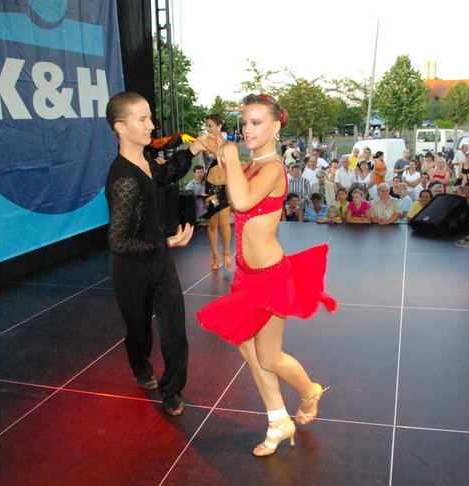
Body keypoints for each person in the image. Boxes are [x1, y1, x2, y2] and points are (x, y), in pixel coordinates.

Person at [197, 94, 337, 457]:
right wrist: (219, 152)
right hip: (246, 274)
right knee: (248, 347)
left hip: (270, 276)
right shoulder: (249, 166)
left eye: (257, 123)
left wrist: (228, 154)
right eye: (245, 122)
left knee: (269, 357)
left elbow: (243, 202)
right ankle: (278, 420)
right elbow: (225, 186)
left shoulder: (273, 168)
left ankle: (309, 392)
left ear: (275, 126)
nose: (248, 129)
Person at [105, 91, 214, 416]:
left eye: (150, 118)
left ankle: (172, 390)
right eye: (143, 119)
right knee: (139, 334)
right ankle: (140, 367)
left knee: (175, 332)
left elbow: (166, 173)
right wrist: (167, 244)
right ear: (121, 127)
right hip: (131, 269)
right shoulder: (123, 179)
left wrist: (194, 147)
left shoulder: (146, 163)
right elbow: (118, 242)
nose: (151, 125)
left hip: (160, 262)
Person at [202, 114, 233, 270]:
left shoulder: (229, 145)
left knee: (224, 223)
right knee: (213, 223)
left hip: (225, 187)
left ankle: (226, 254)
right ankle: (215, 255)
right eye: (206, 126)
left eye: (211, 125)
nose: (208, 129)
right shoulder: (205, 142)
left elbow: (231, 165)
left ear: (219, 126)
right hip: (211, 188)